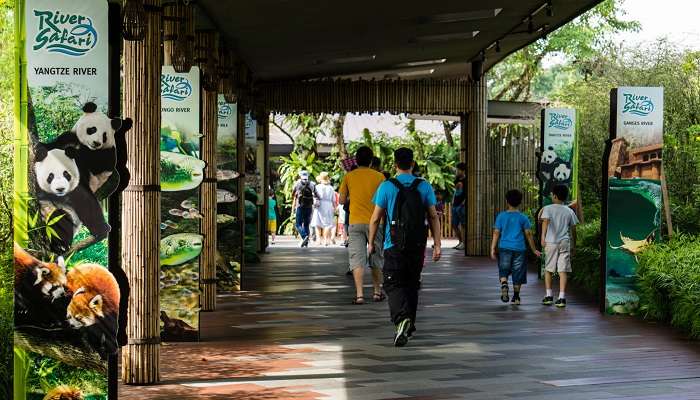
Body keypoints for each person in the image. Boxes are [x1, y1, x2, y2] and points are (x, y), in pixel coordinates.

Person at [369, 147, 442, 347]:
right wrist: (437, 244)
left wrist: (371, 244)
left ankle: (401, 319)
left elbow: (375, 219)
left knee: (393, 284)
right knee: (412, 283)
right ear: (412, 164)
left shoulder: (387, 186)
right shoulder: (424, 186)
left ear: (395, 164)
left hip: (393, 244)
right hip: (417, 245)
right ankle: (409, 322)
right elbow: (433, 216)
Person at [339, 146, 386, 304]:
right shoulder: (380, 177)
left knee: (356, 258)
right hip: (376, 223)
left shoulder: (349, 176)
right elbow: (385, 201)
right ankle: (377, 292)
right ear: (371, 160)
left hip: (355, 222)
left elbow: (341, 201)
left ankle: (359, 295)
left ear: (356, 160)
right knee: (376, 257)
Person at [490, 189, 541, 305]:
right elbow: (528, 234)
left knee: (503, 269)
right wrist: (534, 249)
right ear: (520, 202)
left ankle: (504, 284)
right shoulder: (523, 218)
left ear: (506, 201)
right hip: (519, 249)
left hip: (504, 248)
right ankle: (516, 297)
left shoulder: (501, 216)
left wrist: (492, 248)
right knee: (518, 273)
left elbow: (496, 232)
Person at [540, 184, 579, 308]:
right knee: (563, 270)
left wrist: (542, 237)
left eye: (552, 194)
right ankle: (562, 297)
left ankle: (549, 296)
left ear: (555, 196)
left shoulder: (548, 208)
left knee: (548, 269)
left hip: (551, 242)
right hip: (564, 242)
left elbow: (545, 222)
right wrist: (574, 244)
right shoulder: (569, 211)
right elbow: (573, 229)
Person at [292, 170, 316, 247]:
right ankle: (306, 243)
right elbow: (317, 195)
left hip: (300, 206)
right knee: (306, 224)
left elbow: (293, 193)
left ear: (300, 176)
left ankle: (304, 236)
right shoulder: (312, 184)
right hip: (309, 206)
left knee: (298, 224)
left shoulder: (297, 183)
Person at [314, 172, 338, 246]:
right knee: (327, 223)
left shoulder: (317, 187)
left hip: (319, 205)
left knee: (317, 223)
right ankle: (325, 240)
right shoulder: (331, 188)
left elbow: (314, 196)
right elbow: (333, 200)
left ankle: (318, 240)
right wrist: (335, 208)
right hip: (328, 205)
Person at [451, 163, 466, 250]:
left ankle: (464, 243)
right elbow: (456, 191)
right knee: (454, 224)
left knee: (463, 224)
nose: (456, 171)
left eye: (458, 170)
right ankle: (460, 242)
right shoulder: (456, 179)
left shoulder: (466, 180)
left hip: (461, 205)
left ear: (463, 170)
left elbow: (467, 193)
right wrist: (453, 200)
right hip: (455, 204)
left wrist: (463, 203)